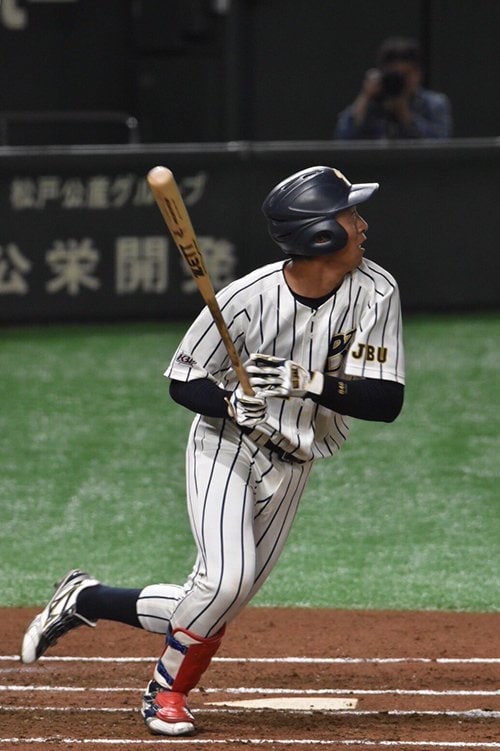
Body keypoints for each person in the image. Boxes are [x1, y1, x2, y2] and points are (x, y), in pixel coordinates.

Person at [20, 165, 406, 737]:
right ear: (321, 233)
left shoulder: (377, 290)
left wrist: (310, 383)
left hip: (294, 461)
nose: (363, 224)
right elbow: (183, 380)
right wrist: (228, 402)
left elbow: (386, 400)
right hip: (225, 447)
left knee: (218, 598)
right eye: (351, 214)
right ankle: (165, 692)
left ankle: (88, 598)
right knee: (223, 584)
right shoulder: (246, 298)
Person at [334, 36, 452, 139]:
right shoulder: (371, 102)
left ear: (418, 73)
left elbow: (440, 143)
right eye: (395, 74)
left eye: (406, 74)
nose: (400, 80)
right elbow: (343, 138)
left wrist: (405, 115)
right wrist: (365, 97)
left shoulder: (433, 104)